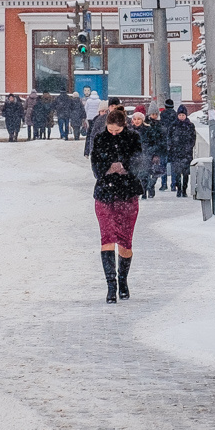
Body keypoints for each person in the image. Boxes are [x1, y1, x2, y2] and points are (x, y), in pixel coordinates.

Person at [90, 105, 143, 303]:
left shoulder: (133, 138)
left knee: (125, 241)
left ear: (124, 126)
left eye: (117, 131)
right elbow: (95, 166)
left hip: (127, 194)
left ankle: (123, 280)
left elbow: (139, 163)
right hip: (105, 194)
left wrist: (125, 167)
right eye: (110, 130)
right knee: (107, 238)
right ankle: (111, 285)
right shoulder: (100, 138)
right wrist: (107, 168)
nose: (113, 134)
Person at [168, 103, 197, 195]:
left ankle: (184, 189)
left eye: (183, 115)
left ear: (186, 115)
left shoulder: (190, 125)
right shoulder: (173, 125)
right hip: (176, 152)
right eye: (180, 115)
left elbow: (193, 138)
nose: (181, 117)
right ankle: (178, 188)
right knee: (177, 172)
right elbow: (169, 137)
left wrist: (189, 147)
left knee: (185, 172)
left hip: (186, 152)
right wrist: (171, 147)